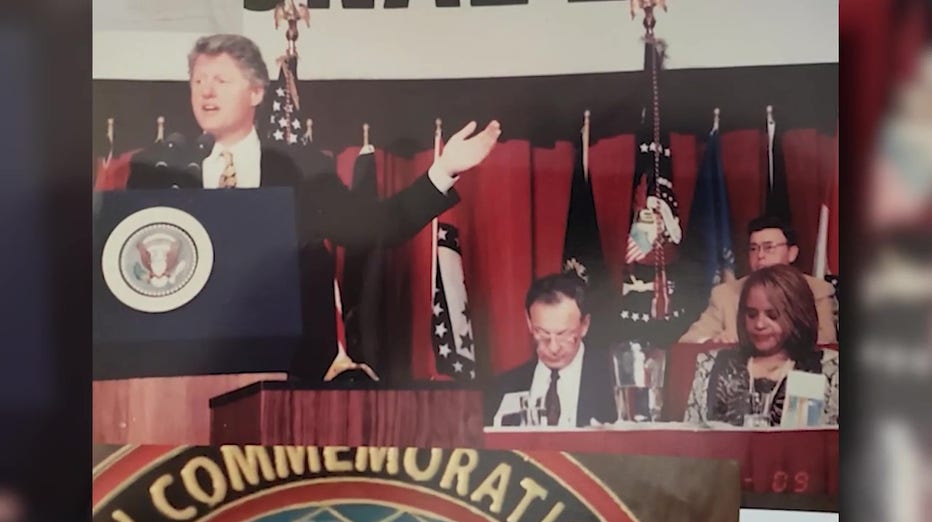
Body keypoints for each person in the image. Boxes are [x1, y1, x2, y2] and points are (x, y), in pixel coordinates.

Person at [125, 34, 501, 381]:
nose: (206, 93)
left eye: (220, 81)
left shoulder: (301, 168)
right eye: (197, 81)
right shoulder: (160, 170)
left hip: (290, 369)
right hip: (193, 370)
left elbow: (377, 226)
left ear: (256, 91)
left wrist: (445, 168)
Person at [684, 264, 839, 427]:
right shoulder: (710, 365)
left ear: (797, 315)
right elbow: (690, 440)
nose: (759, 324)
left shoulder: (829, 368)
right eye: (751, 314)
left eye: (772, 315)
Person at [679, 215, 837, 344]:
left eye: (769, 248)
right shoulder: (725, 294)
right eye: (754, 248)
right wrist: (714, 341)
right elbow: (689, 340)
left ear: (792, 253)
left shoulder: (817, 290)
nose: (760, 255)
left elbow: (826, 341)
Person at [485, 273, 616, 428]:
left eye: (563, 334)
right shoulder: (504, 387)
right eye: (543, 333)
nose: (553, 348)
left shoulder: (615, 383)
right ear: (529, 323)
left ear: (584, 325)